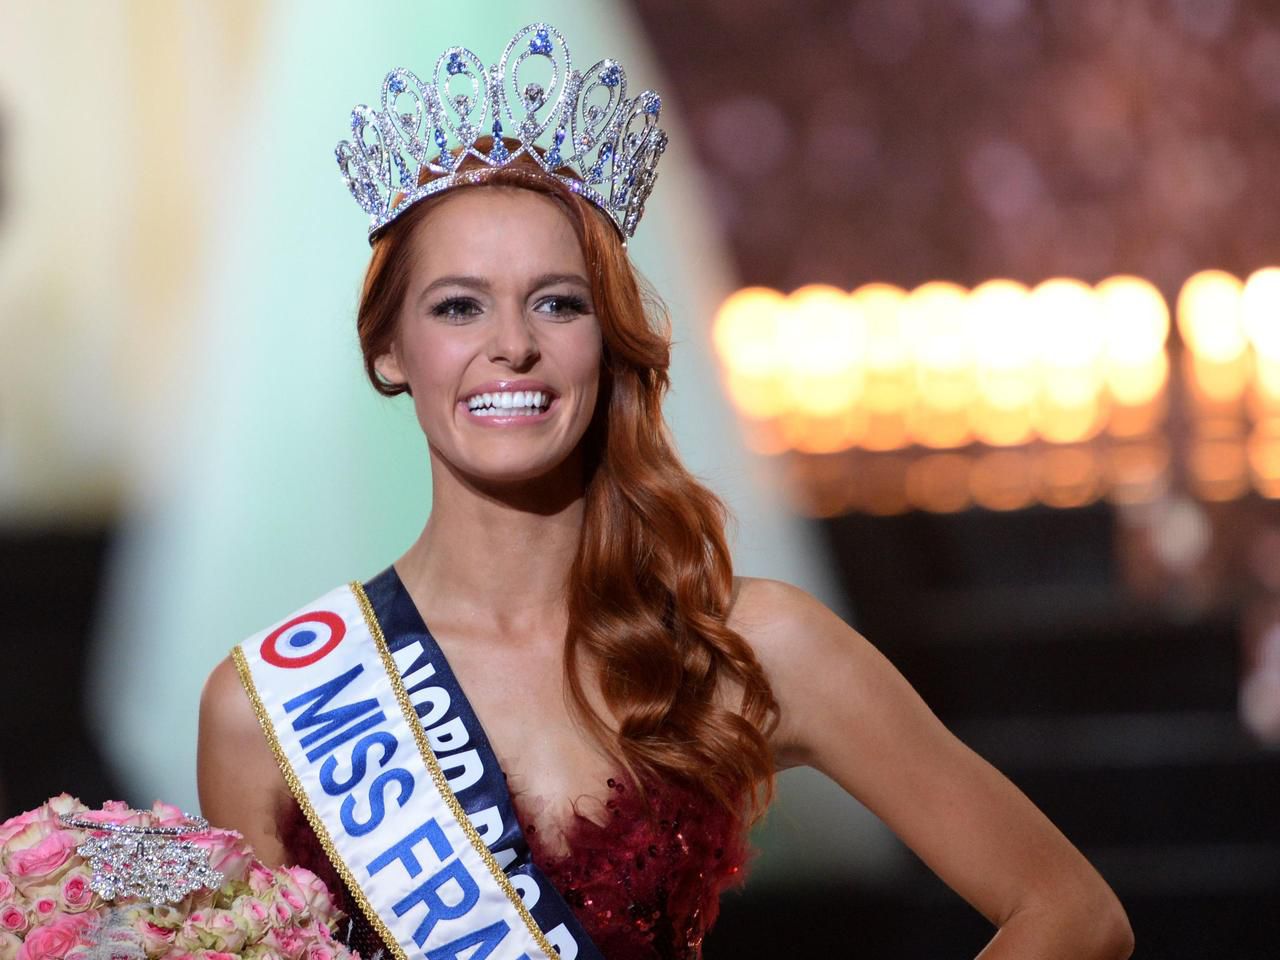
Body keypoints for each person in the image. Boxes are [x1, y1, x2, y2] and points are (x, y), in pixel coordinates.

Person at [196, 22, 1133, 960]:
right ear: (389, 350)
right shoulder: (266, 711)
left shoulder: (746, 646)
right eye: (458, 305)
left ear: (608, 343)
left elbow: (1072, 913)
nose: (512, 344)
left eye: (558, 303)